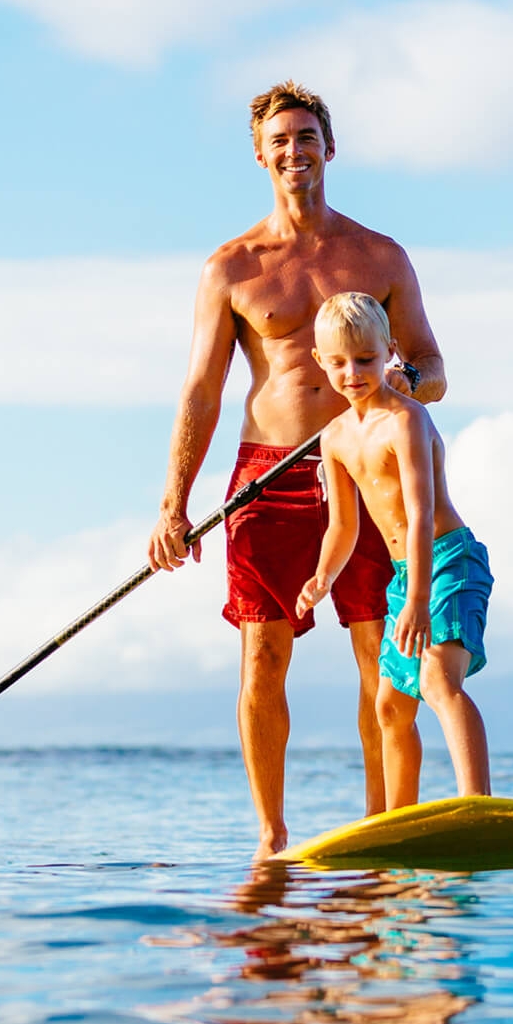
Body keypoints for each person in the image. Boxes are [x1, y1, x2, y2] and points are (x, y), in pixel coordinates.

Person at [148, 82, 447, 859]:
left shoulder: (379, 256)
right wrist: (172, 505)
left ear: (329, 148)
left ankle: (385, 825)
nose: (294, 150)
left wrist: (396, 386)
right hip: (265, 476)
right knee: (263, 654)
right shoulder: (232, 267)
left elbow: (433, 367)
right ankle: (272, 836)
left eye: (306, 136)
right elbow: (201, 390)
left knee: (380, 650)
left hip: (365, 465)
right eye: (279, 140)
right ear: (259, 155)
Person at [296, 293, 493, 810]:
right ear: (319, 361)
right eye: (338, 362)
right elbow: (343, 526)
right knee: (388, 706)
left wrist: (418, 599)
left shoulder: (405, 420)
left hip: (447, 561)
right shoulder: (334, 438)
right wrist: (322, 577)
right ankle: (399, 820)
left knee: (435, 680)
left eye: (365, 359)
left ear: (390, 351)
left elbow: (422, 513)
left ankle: (476, 804)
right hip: (407, 576)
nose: (353, 372)